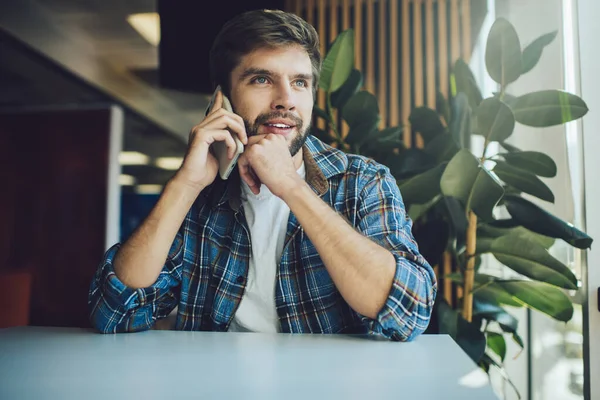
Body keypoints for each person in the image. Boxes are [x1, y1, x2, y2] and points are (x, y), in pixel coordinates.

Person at [88, 9, 437, 341]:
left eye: (300, 83)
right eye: (261, 79)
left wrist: (290, 186)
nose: (285, 100)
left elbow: (409, 312)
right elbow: (114, 313)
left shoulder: (362, 181)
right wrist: (185, 184)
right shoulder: (201, 194)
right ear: (221, 100)